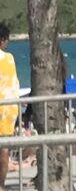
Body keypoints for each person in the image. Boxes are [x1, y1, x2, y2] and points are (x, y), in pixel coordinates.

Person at [0, 22, 20, 190]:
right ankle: (1, 185)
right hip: (8, 109)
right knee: (4, 149)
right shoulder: (9, 58)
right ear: (3, 40)